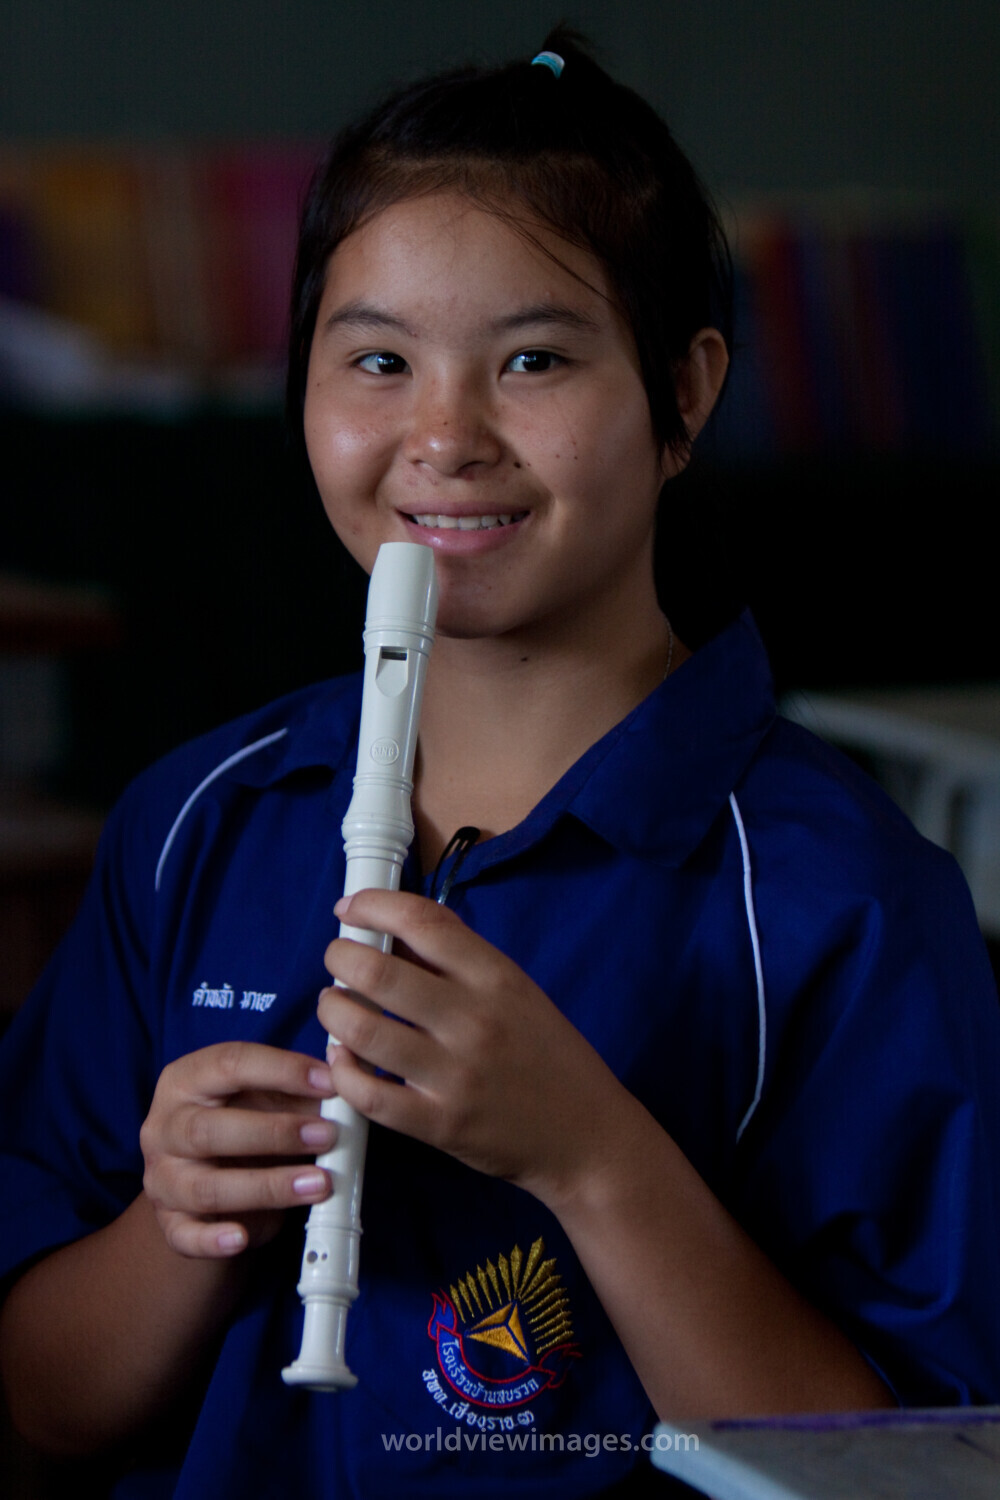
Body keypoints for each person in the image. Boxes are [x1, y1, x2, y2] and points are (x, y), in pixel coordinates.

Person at [2, 29, 1000, 1499]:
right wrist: (182, 1227)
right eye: (379, 361)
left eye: (532, 358)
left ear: (685, 394)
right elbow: (44, 1403)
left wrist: (591, 1155)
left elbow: (914, 1477)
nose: (443, 436)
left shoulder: (836, 898)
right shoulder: (198, 819)